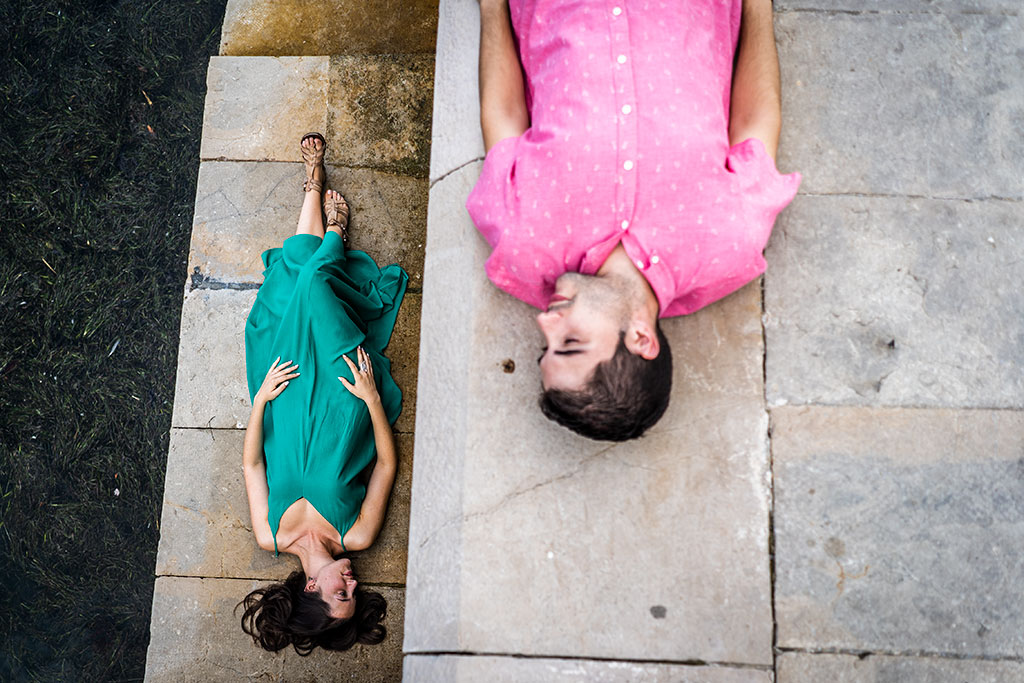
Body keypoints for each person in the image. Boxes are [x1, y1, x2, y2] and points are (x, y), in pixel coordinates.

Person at [468, 0, 801, 441]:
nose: (545, 324)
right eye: (570, 343)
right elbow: (754, 119)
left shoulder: (521, 246)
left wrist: (492, 10)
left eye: (544, 349)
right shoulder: (730, 243)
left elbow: (505, 115)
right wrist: (759, 8)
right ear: (641, 338)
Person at [237, 133, 408, 654]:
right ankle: (334, 228)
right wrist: (373, 399)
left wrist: (261, 399)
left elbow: (251, 468)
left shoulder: (271, 536)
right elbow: (384, 467)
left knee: (281, 297)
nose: (353, 582)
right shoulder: (356, 536)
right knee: (309, 289)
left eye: (342, 593)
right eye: (356, 592)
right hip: (345, 396)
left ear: (312, 588)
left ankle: (312, 187)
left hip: (283, 394)